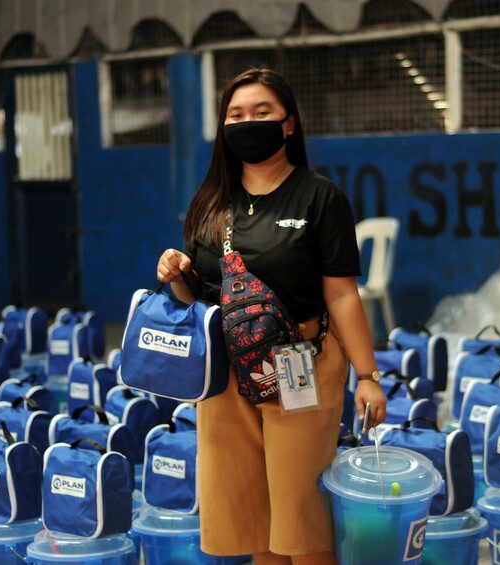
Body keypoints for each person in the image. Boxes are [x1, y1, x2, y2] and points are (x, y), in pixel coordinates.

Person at [156, 67, 387, 565]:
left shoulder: (320, 198)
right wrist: (175, 272)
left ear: (288, 124)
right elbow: (197, 295)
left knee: (300, 516)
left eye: (262, 112)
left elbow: (343, 295)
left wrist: (367, 375)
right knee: (252, 513)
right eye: (236, 115)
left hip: (298, 364)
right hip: (223, 372)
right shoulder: (211, 203)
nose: (247, 122)